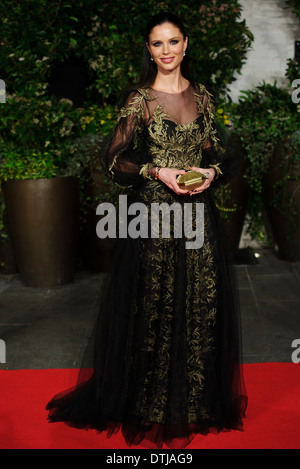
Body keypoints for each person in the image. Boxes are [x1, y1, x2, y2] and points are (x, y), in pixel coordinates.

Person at [46, 11, 247, 449]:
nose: (167, 51)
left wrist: (209, 173)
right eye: (158, 44)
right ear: (149, 50)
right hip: (154, 220)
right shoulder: (139, 100)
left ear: (186, 45)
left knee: (200, 302)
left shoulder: (204, 96)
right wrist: (158, 171)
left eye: (173, 42)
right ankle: (150, 404)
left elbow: (218, 152)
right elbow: (115, 162)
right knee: (154, 305)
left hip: (197, 218)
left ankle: (195, 401)